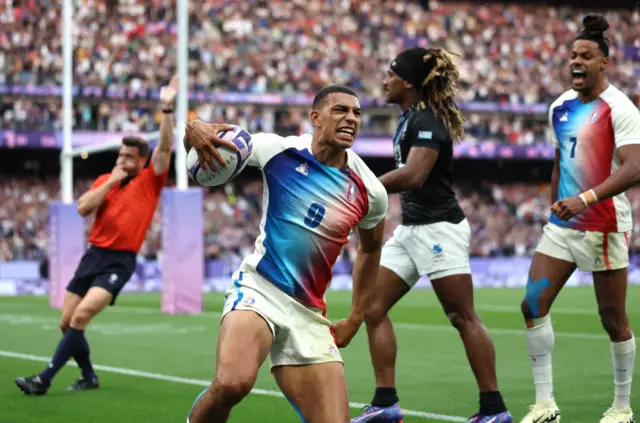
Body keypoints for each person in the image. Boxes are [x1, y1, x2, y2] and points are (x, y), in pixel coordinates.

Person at [183, 85, 388, 423]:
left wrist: (356, 316)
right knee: (233, 383)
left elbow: (371, 248)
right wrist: (194, 128)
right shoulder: (278, 151)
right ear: (315, 118)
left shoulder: (370, 190)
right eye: (340, 110)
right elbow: (214, 136)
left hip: (308, 313)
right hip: (259, 289)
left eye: (356, 113)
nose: (351, 118)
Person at [351, 47, 512, 423]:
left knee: (461, 316)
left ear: (408, 82)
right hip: (410, 230)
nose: (385, 80)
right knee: (372, 309)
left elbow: (414, 175)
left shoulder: (428, 118)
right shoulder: (410, 117)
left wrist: (362, 187)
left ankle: (494, 410)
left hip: (441, 228)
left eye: (391, 74)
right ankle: (386, 404)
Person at [15, 76, 180, 395]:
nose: (121, 161)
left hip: (120, 261)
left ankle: (44, 379)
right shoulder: (106, 180)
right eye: (120, 156)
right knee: (67, 322)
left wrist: (167, 108)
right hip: (94, 256)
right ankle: (89, 376)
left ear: (141, 161)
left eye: (128, 157)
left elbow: (165, 147)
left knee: (81, 317)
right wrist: (110, 181)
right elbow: (82, 208)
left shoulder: (150, 181)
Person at [519, 15, 640, 423]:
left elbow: (634, 168)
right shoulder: (559, 107)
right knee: (532, 303)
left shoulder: (619, 108)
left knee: (613, 321)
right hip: (564, 228)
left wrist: (583, 199)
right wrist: (556, 210)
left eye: (586, 56)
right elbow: (558, 164)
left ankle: (622, 407)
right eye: (572, 55)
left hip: (605, 226)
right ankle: (545, 404)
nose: (576, 61)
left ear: (604, 62)